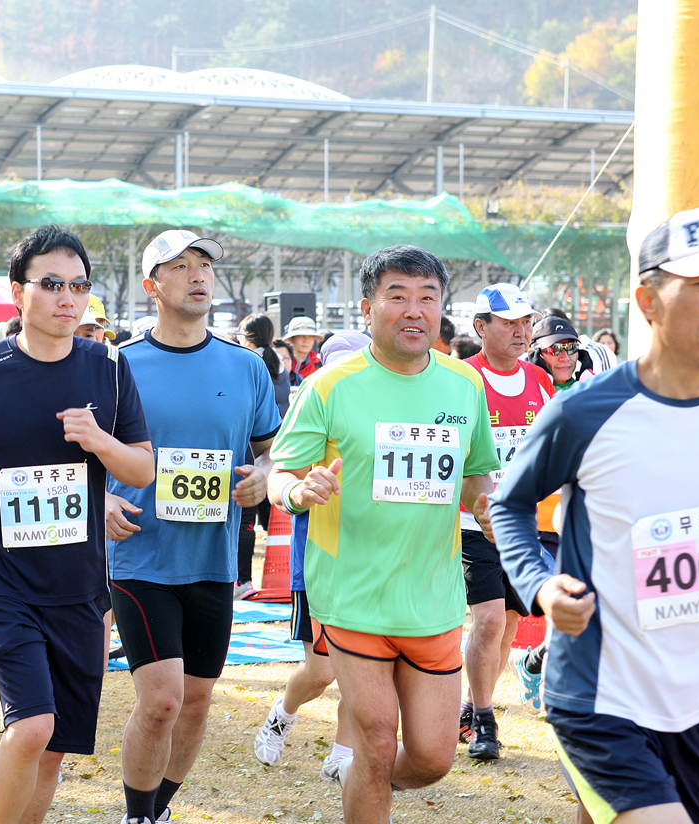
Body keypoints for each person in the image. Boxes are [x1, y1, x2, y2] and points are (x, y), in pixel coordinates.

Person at [493, 207, 699, 824]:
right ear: (648, 300)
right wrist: (540, 585)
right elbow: (508, 504)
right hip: (602, 690)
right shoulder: (585, 412)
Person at [0, 225, 153, 824]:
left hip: (78, 586)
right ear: (17, 293)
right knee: (31, 728)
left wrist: (99, 441)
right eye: (50, 285)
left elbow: (143, 468)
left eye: (78, 286)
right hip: (1, 580)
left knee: (54, 751)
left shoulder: (110, 366)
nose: (67, 299)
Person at [267, 244, 497, 824]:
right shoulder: (328, 386)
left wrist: (490, 508)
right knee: (373, 740)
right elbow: (281, 472)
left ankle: (364, 782)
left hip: (433, 601)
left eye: (428, 297)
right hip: (352, 596)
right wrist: (298, 491)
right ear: (368, 307)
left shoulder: (464, 384)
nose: (414, 310)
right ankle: (366, 779)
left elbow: (474, 479)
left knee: (432, 758)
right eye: (398, 296)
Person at [106, 229, 280, 824]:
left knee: (197, 704)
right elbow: (82, 455)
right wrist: (101, 499)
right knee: (161, 702)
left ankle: (158, 809)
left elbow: (269, 451)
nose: (198, 275)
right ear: (153, 286)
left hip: (214, 557)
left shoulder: (247, 366)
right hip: (139, 556)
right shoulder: (118, 365)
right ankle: (135, 815)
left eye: (204, 264)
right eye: (179, 266)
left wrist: (263, 477)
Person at [252, 330, 368, 781]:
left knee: (364, 670)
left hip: (370, 564)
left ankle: (341, 754)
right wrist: (300, 488)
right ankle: (282, 713)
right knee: (322, 671)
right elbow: (279, 476)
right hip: (317, 565)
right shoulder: (312, 413)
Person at [459, 283, 555, 760]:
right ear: (481, 327)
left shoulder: (540, 380)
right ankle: (484, 722)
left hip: (523, 523)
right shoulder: (461, 379)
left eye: (526, 322)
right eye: (510, 322)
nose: (522, 331)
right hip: (472, 525)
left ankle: (474, 703)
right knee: (489, 620)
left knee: (511, 623)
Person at [234, 313, 288, 599]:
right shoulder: (278, 363)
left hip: (251, 449)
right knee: (270, 519)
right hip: (277, 449)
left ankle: (243, 580)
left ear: (248, 335)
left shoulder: (248, 363)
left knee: (245, 520)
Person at [525, 315, 596, 391]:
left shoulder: (594, 391)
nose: (565, 358)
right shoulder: (520, 391)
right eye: (555, 349)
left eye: (571, 347)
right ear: (532, 354)